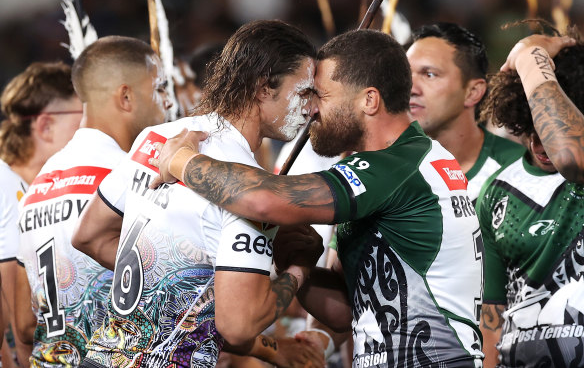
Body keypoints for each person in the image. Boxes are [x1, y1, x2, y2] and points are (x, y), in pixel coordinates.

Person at [151, 28, 485, 367]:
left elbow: (268, 200)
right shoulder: (394, 168)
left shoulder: (396, 165)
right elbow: (344, 310)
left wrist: (181, 160)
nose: (310, 110)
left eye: (321, 95)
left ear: (369, 100)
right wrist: (302, 266)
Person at [71, 20, 325, 368]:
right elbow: (238, 327)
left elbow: (88, 236)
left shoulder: (158, 137)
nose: (313, 109)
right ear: (264, 87)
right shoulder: (250, 188)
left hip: (101, 358)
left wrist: (165, 279)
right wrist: (299, 268)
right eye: (306, 92)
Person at [14, 36, 171, 367]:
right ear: (126, 97)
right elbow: (179, 292)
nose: (168, 103)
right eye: (159, 89)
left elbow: (26, 326)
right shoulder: (134, 179)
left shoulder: (33, 190)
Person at [476, 29, 584, 367]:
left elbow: (570, 153)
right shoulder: (496, 191)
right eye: (530, 126)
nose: (540, 142)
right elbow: (492, 313)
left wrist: (528, 54)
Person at [0, 62, 83, 366]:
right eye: (83, 117)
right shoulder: (6, 185)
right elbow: (16, 324)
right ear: (45, 126)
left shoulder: (26, 188)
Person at [406, 22, 525, 202]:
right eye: (406, 75)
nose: (411, 88)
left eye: (429, 74)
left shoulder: (516, 169)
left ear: (473, 92)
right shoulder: (382, 166)